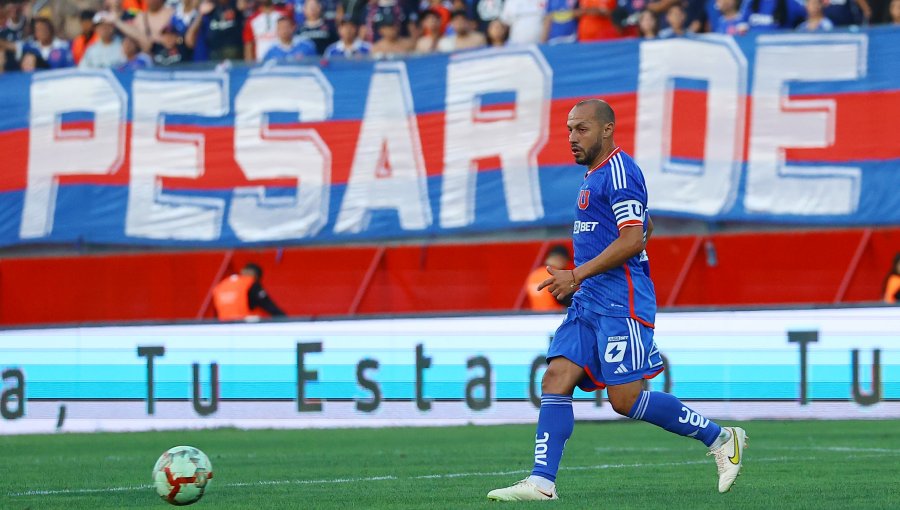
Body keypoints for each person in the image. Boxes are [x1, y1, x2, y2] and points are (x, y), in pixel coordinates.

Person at [487, 99, 747, 502]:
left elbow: (630, 239)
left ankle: (721, 438)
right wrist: (586, 277)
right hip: (589, 301)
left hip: (621, 302)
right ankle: (541, 481)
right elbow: (639, 228)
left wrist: (576, 274)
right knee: (556, 377)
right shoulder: (594, 175)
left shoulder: (621, 171)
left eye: (582, 129)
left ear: (607, 130)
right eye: (570, 129)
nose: (572, 138)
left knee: (625, 400)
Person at [213, 263, 286, 321]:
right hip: (245, 328)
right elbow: (269, 306)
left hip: (224, 329)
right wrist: (286, 320)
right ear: (256, 276)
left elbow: (216, 313)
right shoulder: (251, 284)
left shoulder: (221, 286)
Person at [525, 245, 573, 312]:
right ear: (561, 259)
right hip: (556, 316)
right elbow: (569, 300)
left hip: (537, 317)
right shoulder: (556, 275)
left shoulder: (534, 275)